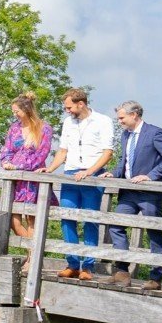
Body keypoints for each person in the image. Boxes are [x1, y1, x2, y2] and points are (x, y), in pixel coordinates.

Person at [40, 88, 114, 279]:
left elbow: (107, 152)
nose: (67, 111)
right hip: (71, 173)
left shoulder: (103, 121)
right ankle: (72, 263)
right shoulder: (68, 122)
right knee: (67, 216)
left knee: (90, 220)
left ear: (81, 103)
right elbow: (63, 150)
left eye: (69, 107)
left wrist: (89, 172)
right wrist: (50, 168)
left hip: (93, 174)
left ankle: (87, 266)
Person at [107, 100, 162, 290]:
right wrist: (114, 173)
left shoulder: (154, 133)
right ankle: (122, 271)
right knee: (116, 226)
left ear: (134, 115)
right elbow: (125, 160)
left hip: (149, 193)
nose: (119, 121)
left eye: (122, 118)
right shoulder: (125, 135)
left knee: (153, 231)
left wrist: (151, 176)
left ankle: (156, 278)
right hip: (128, 191)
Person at [0, 93, 56, 244]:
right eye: (13, 111)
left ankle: (32, 257)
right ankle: (31, 250)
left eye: (17, 111)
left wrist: (20, 166)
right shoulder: (14, 128)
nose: (14, 114)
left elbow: (42, 153)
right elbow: (7, 149)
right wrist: (5, 162)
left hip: (33, 178)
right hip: (14, 178)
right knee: (11, 218)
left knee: (32, 218)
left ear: (27, 109)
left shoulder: (44, 128)